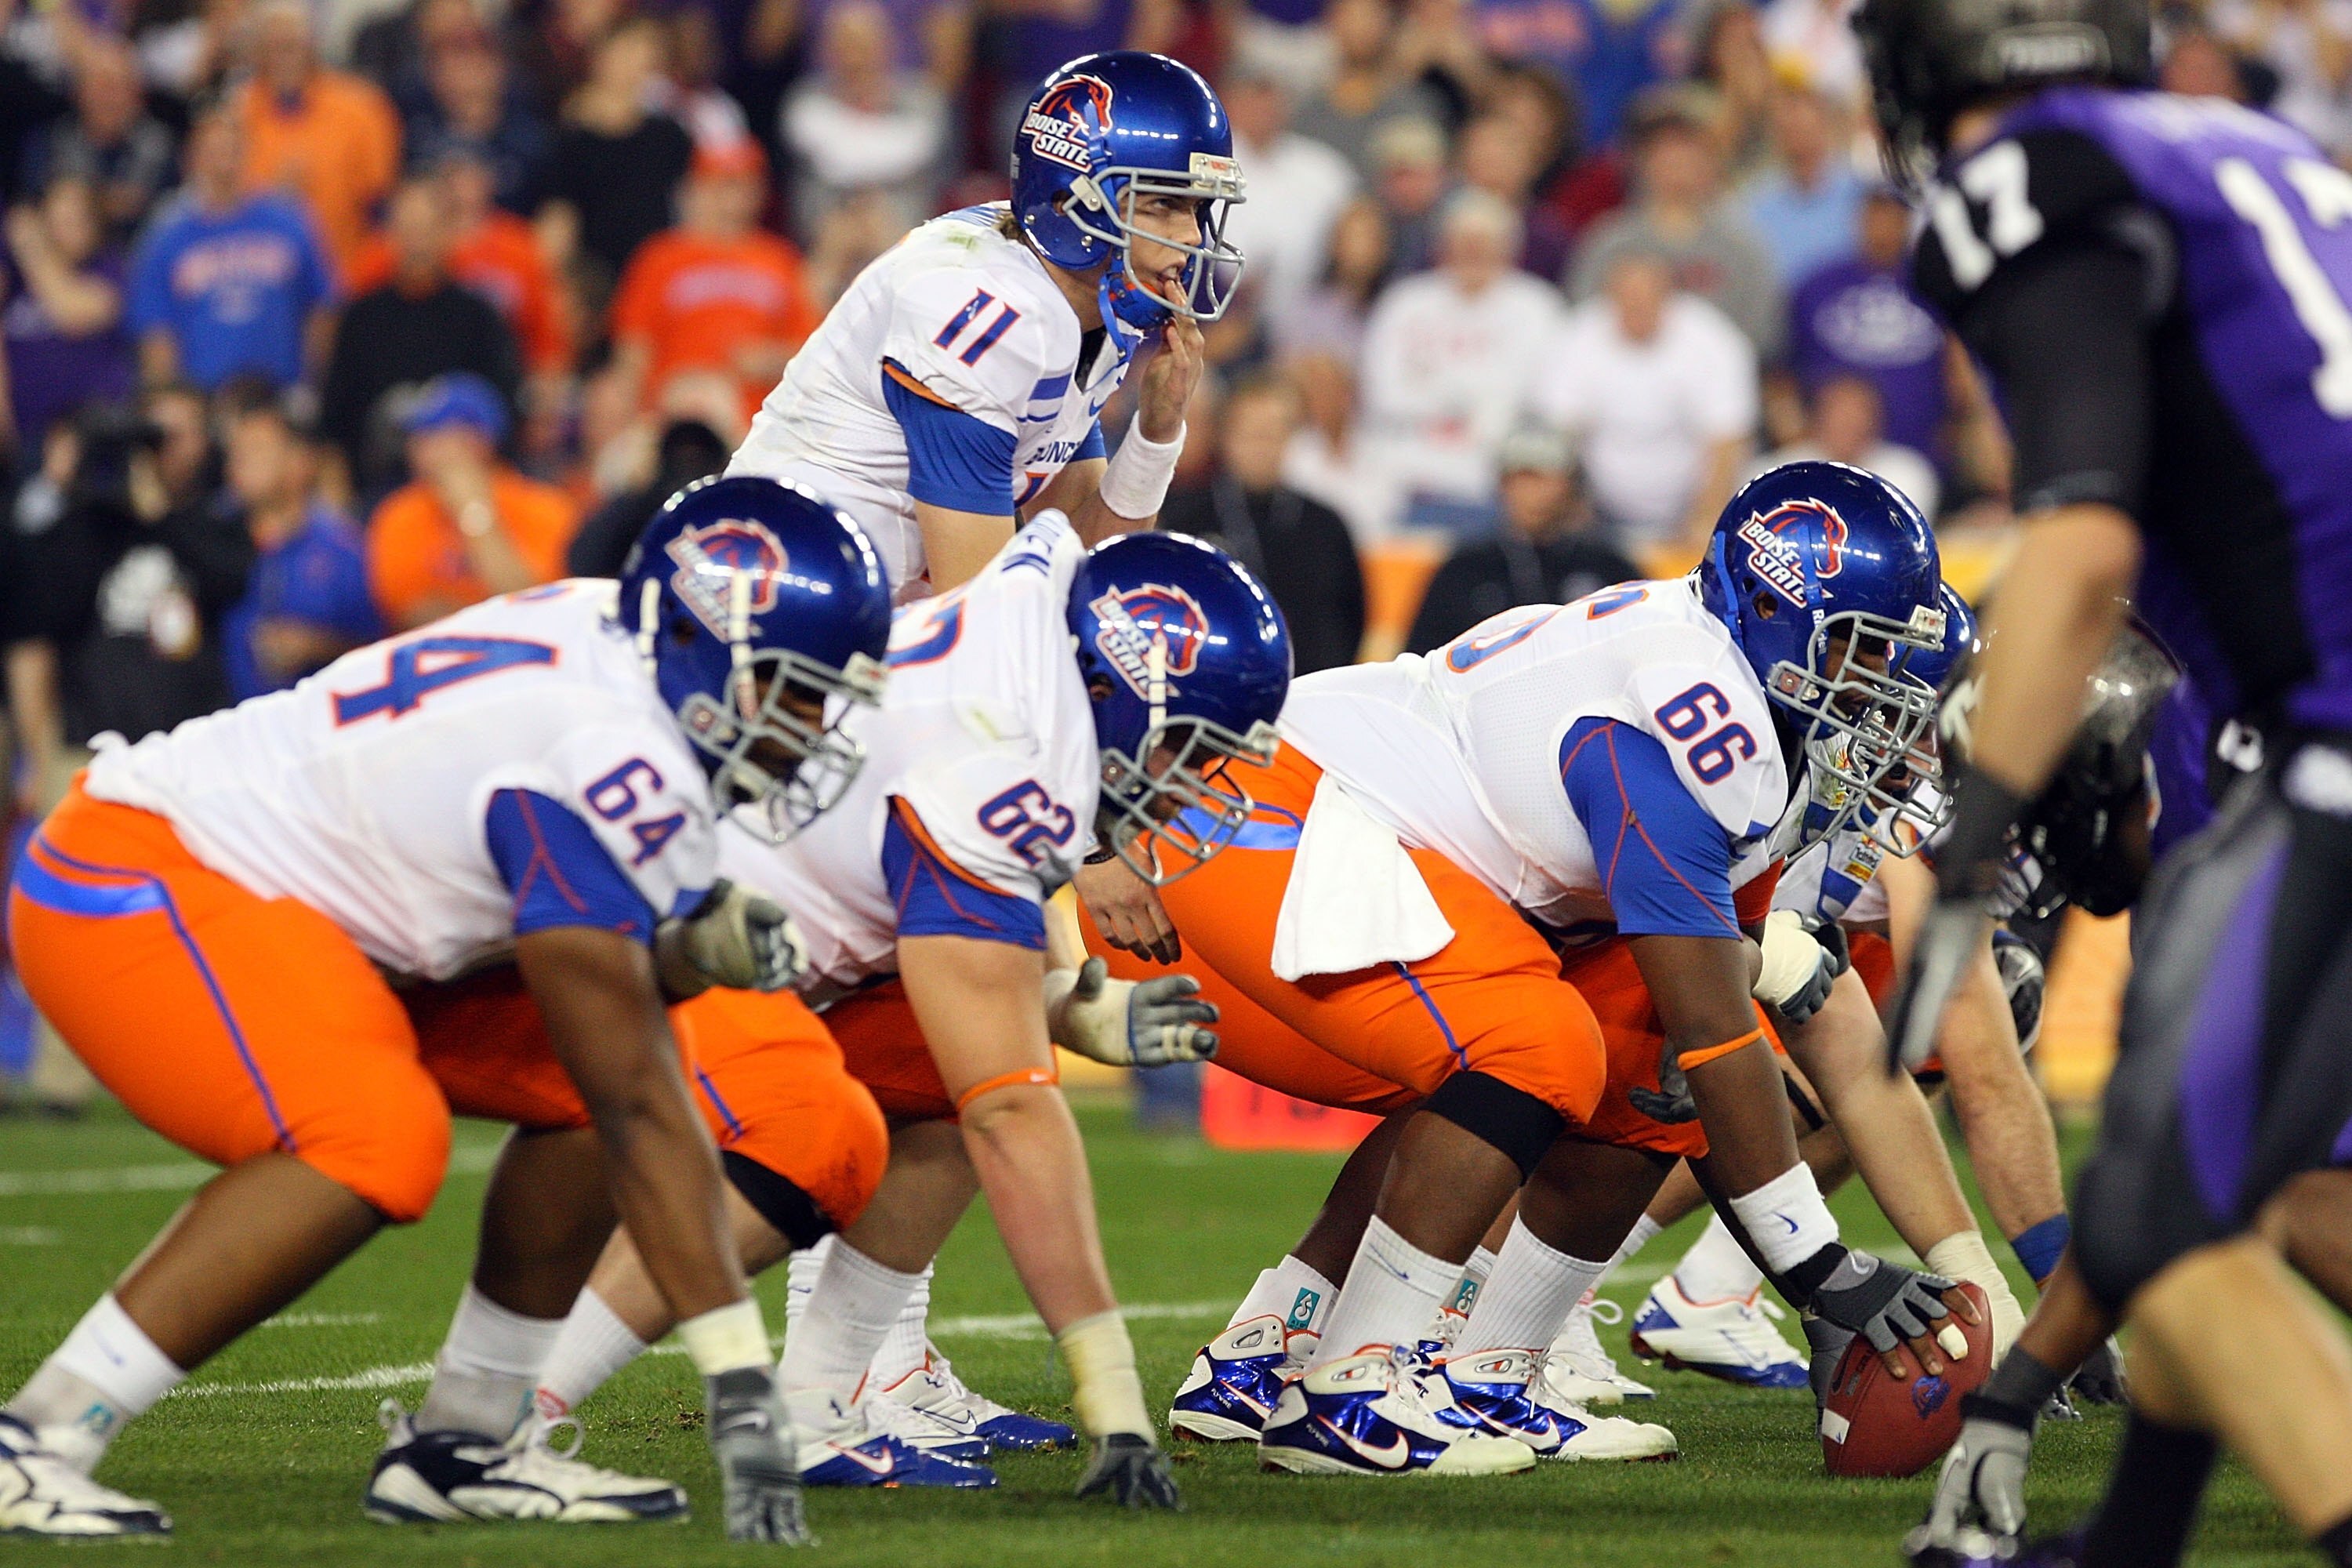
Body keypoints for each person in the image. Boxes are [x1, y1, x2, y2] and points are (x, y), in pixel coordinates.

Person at [0, 474, 895, 1542]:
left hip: (302, 912)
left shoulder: (610, 644)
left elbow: (609, 1029)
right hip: (142, 876)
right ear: (708, 649)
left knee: (587, 1075)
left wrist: (674, 947)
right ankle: (35, 1439)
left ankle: (465, 1441)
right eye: (795, 691)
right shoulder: (610, 752)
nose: (812, 728)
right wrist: (738, 1377)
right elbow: (637, 1098)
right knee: (377, 1134)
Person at [1083, 462, 1976, 1475]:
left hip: (1354, 857)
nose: (1882, 698)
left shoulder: (1756, 730)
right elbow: (1719, 1033)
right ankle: (1349, 1393)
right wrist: (1818, 1269)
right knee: (1537, 1040)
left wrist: (1812, 1279)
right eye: (1864, 655)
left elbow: (1703, 1044)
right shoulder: (1689, 718)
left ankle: (1413, 1364)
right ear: (1774, 606)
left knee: (1640, 1057)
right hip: (1259, 822)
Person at [1860, 0, 2352, 1559]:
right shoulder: (2251, 144)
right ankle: (2133, 1540)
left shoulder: (2035, 182)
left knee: (2191, 1201)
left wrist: (1977, 830)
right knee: (2197, 1175)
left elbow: (2082, 530)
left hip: (2332, 728)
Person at [519, 524, 1290, 1506]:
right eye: (1188, 748)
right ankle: (510, 1410)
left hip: (731, 915)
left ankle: (815, 1400)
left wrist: (1056, 1000)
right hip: (660, 934)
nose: (1188, 787)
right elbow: (1012, 1107)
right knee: (820, 1132)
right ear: (1115, 691)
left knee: (939, 1077)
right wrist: (1114, 1398)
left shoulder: (1035, 616)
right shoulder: (999, 752)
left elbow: (986, 885)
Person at [727, 50, 1235, 601]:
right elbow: (985, 621)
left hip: (872, 602)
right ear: (1072, 200)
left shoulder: (1084, 293)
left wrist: (1156, 434)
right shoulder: (984, 308)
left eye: (1197, 209)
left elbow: (1083, 564)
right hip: (775, 586)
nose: (1189, 238)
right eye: (1163, 205)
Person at [1356, 190, 1563, 532]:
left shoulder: (1538, 308)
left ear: (1508, 248)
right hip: (1403, 477)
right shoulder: (1405, 303)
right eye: (1463, 241)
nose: (1472, 252)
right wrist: (1470, 400)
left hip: (1493, 480)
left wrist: (1438, 392)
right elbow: (1385, 395)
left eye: (1484, 242)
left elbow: (1537, 404)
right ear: (1443, 247)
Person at [1533, 249, 1756, 556]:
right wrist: (1570, 509)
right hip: (1597, 507)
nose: (1636, 308)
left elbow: (1728, 441)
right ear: (1609, 298)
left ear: (1670, 298)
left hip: (1689, 503)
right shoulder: (1578, 337)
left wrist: (1707, 520)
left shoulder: (1713, 341)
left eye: (1648, 299)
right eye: (1626, 299)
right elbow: (1560, 436)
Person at [319, 176, 523, 500]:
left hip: (464, 488)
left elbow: (505, 417)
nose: (416, 243)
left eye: (426, 229)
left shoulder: (480, 319)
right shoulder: (360, 319)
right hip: (377, 489)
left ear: (448, 233)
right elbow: (335, 422)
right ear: (391, 235)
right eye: (407, 230)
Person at [1163, 374, 1365, 673]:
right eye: (1252, 433)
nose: (1263, 446)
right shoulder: (1185, 518)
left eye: (1274, 432)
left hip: (1311, 686)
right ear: (1226, 437)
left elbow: (1353, 618)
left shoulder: (1327, 525)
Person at [608, 140, 821, 425]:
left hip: (756, 422)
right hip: (670, 415)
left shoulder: (779, 259)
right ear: (696, 188)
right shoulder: (660, 257)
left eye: (744, 187)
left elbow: (812, 353)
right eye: (722, 185)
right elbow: (632, 350)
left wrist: (769, 360)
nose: (733, 199)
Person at [127, 110, 336, 394]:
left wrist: (311, 384)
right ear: (192, 160)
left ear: (248, 154)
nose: (223, 162)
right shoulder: (167, 237)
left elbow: (321, 307)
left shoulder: (289, 222)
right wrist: (169, 401)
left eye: (231, 150)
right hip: (202, 397)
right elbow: (156, 331)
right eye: (212, 151)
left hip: (280, 392)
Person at [1570, 89, 1786, 361]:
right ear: (1643, 163)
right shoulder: (1610, 242)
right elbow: (1583, 323)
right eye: (1663, 151)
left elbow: (1762, 333)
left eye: (1690, 151)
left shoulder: (1742, 248)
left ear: (1712, 162)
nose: (1676, 163)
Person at [365, 372, 577, 630]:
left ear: (477, 441)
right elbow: (413, 614)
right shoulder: (400, 512)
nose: (416, 449)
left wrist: (473, 512)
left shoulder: (544, 508)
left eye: (431, 435)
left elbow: (535, 609)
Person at [1406, 427, 1640, 652]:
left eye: (1546, 479)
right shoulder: (1466, 569)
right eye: (1522, 479)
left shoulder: (1607, 566)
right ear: (1503, 485)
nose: (1533, 492)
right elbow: (1423, 659)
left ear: (1570, 486)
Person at [217, 394, 380, 701]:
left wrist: (315, 645)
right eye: (234, 451)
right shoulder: (211, 541)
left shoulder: (342, 548)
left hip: (318, 727)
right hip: (227, 727)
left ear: (300, 463)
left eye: (256, 450)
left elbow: (380, 649)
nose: (238, 462)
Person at [232, 0, 404, 283]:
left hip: (347, 274)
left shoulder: (362, 109)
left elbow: (381, 207)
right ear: (257, 54)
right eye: (273, 48)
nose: (284, 58)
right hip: (259, 282)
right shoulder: (237, 112)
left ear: (313, 47)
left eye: (292, 46)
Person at [1786, 184, 1947, 463]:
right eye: (1875, 216)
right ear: (1858, 220)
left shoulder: (1936, 284)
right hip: (1825, 453)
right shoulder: (1817, 285)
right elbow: (1783, 372)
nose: (1882, 228)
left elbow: (1960, 367)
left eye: (1892, 218)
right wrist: (1794, 429)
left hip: (1916, 455)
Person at [3, 177, 135, 454]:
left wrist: (30, 246)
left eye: (78, 220)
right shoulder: (17, 281)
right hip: (26, 433)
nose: (66, 232)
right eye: (58, 221)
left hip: (94, 433)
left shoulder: (110, 267)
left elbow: (73, 314)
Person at [1753, 375, 1937, 520]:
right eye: (1840, 416)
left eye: (1858, 417)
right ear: (1817, 418)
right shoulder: (1771, 474)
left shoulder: (1909, 471)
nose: (1850, 425)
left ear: (1876, 422)